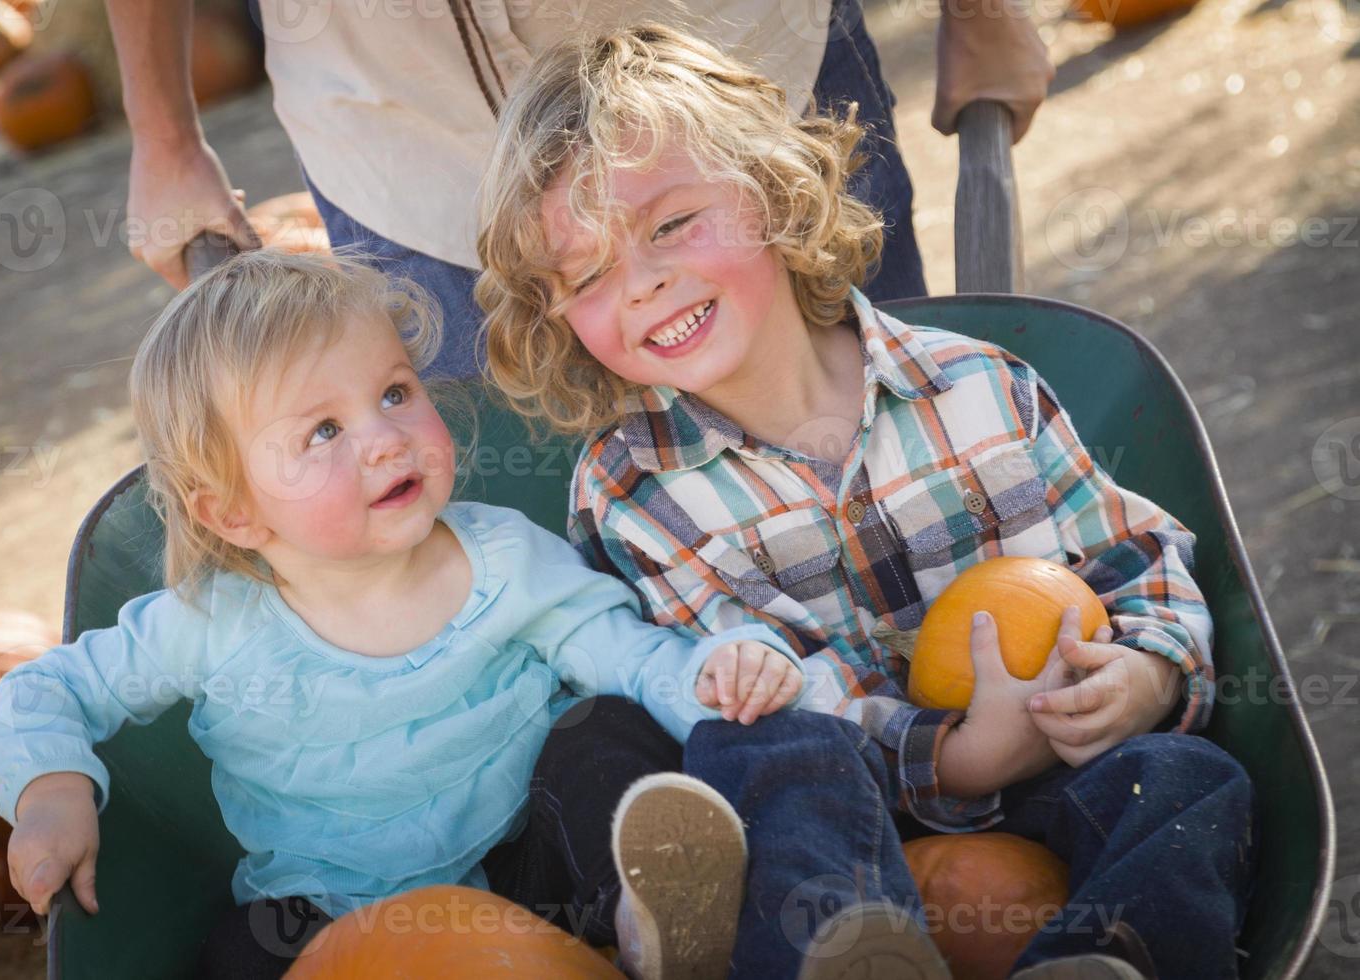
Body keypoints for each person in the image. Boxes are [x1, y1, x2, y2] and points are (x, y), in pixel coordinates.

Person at [476, 24, 1255, 979]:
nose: (643, 284)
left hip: (1063, 772)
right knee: (760, 740)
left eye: (671, 225)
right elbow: (748, 692)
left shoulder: (979, 387)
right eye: (590, 275)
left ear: (769, 189)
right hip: (822, 843)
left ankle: (1104, 961)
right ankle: (838, 961)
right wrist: (959, 757)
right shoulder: (633, 492)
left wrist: (1145, 678)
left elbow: (1136, 565)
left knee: (1190, 781)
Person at [0, 250, 822, 980]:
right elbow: (48, 689)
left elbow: (629, 654)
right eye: (322, 432)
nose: (385, 438)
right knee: (240, 956)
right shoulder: (209, 624)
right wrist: (53, 790)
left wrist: (717, 674)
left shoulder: (502, 559)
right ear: (234, 513)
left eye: (393, 392)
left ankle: (650, 927)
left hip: (536, 862)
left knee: (606, 731)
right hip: (334, 917)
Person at [107, 0, 1053, 376]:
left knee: (904, 433)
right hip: (410, 153)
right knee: (564, 558)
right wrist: (162, 133)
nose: (638, 282)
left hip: (745, 76)